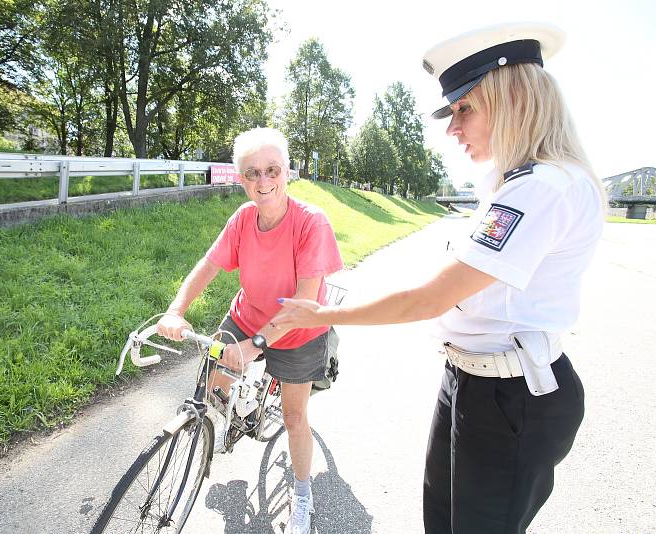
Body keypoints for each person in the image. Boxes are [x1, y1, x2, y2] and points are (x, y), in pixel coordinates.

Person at [273, 22, 606, 534]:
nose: (453, 128)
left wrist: (324, 315)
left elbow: (430, 299)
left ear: (513, 98)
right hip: (473, 381)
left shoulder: (542, 188)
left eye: (464, 108)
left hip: (510, 396)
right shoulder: (514, 184)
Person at [156, 127, 343, 534]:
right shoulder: (243, 218)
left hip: (298, 331)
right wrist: (175, 310)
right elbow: (207, 266)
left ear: (287, 171)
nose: (263, 182)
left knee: (294, 416)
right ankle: (226, 419)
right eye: (252, 173)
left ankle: (303, 493)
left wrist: (254, 347)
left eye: (272, 170)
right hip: (246, 315)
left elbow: (305, 299)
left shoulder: (311, 222)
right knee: (211, 382)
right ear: (240, 178)